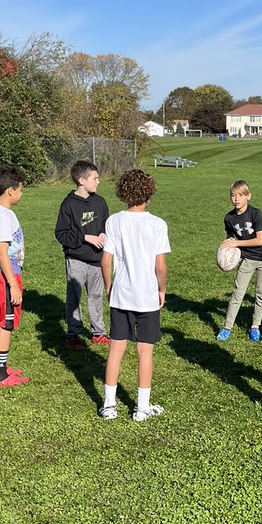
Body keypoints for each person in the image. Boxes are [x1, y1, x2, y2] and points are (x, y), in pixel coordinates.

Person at [99, 169, 170, 422]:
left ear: (123, 192)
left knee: (116, 349)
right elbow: (160, 266)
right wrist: (162, 289)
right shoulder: (157, 224)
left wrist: (110, 287)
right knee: (145, 351)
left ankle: (109, 406)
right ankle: (142, 408)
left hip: (121, 295)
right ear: (149, 193)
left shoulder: (114, 221)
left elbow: (105, 261)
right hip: (146, 296)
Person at [54, 160, 110, 349]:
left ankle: (98, 333)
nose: (98, 182)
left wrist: (103, 233)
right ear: (81, 180)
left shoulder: (100, 202)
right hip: (76, 259)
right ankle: (73, 334)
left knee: (96, 296)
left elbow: (105, 224)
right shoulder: (68, 204)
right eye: (94, 178)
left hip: (97, 259)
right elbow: (61, 234)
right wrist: (85, 237)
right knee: (74, 297)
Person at [0, 164, 28, 388]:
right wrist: (13, 284)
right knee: (6, 323)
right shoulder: (3, 217)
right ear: (10, 190)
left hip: (2, 272)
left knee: (4, 320)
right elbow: (2, 252)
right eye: (20, 190)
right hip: (4, 275)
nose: (21, 194)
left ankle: (1, 366)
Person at [217, 180, 262, 342]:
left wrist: (237, 243)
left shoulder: (255, 214)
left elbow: (260, 240)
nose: (236, 199)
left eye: (240, 195)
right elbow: (231, 237)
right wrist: (227, 248)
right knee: (238, 293)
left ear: (248, 196)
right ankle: (227, 327)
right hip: (247, 259)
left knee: (261, 294)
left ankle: (255, 326)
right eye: (233, 195)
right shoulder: (229, 218)